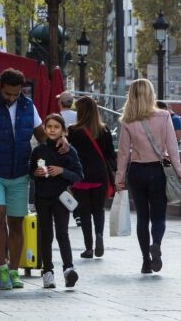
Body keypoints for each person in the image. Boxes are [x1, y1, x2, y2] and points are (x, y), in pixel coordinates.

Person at [0, 68, 70, 291]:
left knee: (16, 222)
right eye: (8, 94)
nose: (11, 98)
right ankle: (2, 267)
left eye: (16, 94)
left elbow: (41, 136)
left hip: (19, 172)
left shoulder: (29, 106)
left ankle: (15, 270)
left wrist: (61, 142)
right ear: (0, 88)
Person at [115, 79, 181, 275]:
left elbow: (123, 153)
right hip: (158, 171)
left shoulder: (128, 120)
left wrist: (119, 179)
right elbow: (173, 149)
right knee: (158, 216)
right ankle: (156, 244)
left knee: (142, 217)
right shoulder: (164, 116)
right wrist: (180, 173)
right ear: (151, 94)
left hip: (137, 171)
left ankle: (146, 261)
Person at [29, 113, 83, 289]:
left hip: (60, 197)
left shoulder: (69, 150)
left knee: (62, 233)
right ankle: (47, 271)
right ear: (44, 128)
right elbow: (30, 171)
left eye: (56, 127)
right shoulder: (38, 150)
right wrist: (35, 174)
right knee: (46, 235)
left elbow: (78, 175)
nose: (52, 130)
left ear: (63, 130)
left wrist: (62, 171)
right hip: (42, 197)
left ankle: (69, 269)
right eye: (49, 126)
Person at [67, 96, 116, 259]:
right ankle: (100, 235)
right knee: (98, 210)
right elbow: (110, 154)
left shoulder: (73, 130)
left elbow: (69, 154)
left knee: (85, 212)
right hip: (100, 175)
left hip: (81, 176)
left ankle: (88, 247)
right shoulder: (104, 129)